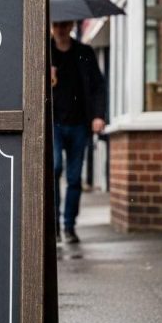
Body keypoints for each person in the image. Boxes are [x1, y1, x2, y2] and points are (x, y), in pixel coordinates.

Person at [50, 21, 106, 244]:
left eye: (64, 25)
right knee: (53, 168)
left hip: (79, 124)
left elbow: (98, 86)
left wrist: (98, 115)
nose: (61, 29)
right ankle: (52, 226)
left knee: (74, 178)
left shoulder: (84, 52)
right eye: (56, 25)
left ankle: (69, 227)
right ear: (51, 27)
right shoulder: (44, 51)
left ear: (72, 25)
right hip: (52, 123)